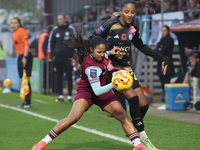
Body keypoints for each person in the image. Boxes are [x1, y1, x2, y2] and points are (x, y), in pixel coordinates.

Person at [32, 36, 150, 150]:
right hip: (87, 92)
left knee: (122, 114)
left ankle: (137, 145)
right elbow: (97, 91)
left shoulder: (100, 54)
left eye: (104, 51)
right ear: (91, 50)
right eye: (99, 52)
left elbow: (103, 56)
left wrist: (110, 52)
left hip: (103, 89)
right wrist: (114, 84)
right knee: (72, 118)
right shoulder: (91, 67)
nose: (102, 54)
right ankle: (43, 142)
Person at [94, 0, 168, 149]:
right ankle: (142, 138)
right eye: (126, 11)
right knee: (133, 99)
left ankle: (132, 129)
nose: (129, 15)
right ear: (121, 10)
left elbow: (140, 45)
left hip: (126, 68)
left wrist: (161, 58)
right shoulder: (110, 24)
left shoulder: (133, 28)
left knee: (144, 104)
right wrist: (107, 53)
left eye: (132, 12)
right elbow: (93, 40)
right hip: (111, 68)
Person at [49, 13, 76, 102]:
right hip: (58, 57)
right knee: (59, 76)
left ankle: (69, 96)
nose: (60, 20)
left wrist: (74, 56)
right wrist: (52, 56)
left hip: (68, 57)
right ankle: (60, 95)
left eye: (61, 19)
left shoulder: (70, 29)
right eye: (58, 19)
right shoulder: (54, 30)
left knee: (69, 75)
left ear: (65, 19)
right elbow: (51, 44)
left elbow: (75, 42)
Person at [10, 16, 33, 107]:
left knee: (25, 79)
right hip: (20, 56)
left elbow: (26, 44)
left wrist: (25, 57)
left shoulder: (21, 31)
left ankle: (28, 102)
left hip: (25, 56)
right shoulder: (15, 32)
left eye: (15, 23)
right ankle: (26, 101)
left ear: (19, 23)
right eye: (12, 23)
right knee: (21, 79)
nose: (13, 24)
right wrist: (19, 58)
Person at [154, 25, 175, 102]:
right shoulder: (161, 40)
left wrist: (159, 50)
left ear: (168, 31)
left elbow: (163, 51)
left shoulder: (170, 40)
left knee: (166, 82)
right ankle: (164, 98)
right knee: (162, 83)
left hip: (167, 64)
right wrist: (159, 49)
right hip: (160, 64)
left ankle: (168, 99)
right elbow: (156, 50)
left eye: (164, 30)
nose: (163, 32)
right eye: (162, 31)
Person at [38, 25, 54, 93]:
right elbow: (44, 47)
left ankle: (44, 89)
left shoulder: (42, 35)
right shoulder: (47, 37)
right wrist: (46, 56)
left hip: (41, 57)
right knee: (47, 75)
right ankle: (46, 89)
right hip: (46, 59)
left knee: (44, 75)